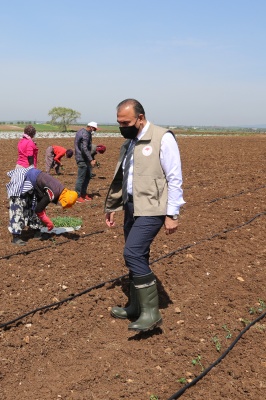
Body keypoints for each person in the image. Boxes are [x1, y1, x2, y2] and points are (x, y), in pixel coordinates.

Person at [104, 99, 185, 332]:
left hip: (152, 208)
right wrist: (112, 206)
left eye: (126, 122)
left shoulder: (162, 138)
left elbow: (174, 177)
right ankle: (135, 306)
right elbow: (123, 178)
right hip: (132, 207)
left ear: (140, 118)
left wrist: (173, 214)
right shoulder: (130, 143)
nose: (122, 127)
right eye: (119, 122)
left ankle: (151, 313)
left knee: (132, 252)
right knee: (139, 255)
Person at [7, 167, 78, 245]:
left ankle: (36, 230)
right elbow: (39, 210)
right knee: (18, 205)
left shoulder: (60, 189)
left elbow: (41, 203)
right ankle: (15, 237)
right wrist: (48, 222)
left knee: (34, 204)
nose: (60, 204)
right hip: (23, 178)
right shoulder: (54, 192)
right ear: (64, 199)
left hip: (33, 181)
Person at [74, 121, 98, 202]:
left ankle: (83, 193)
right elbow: (84, 148)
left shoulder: (83, 132)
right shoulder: (85, 134)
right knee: (81, 178)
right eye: (94, 129)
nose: (94, 130)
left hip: (84, 158)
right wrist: (91, 159)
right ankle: (77, 195)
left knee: (88, 176)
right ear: (90, 127)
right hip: (82, 158)